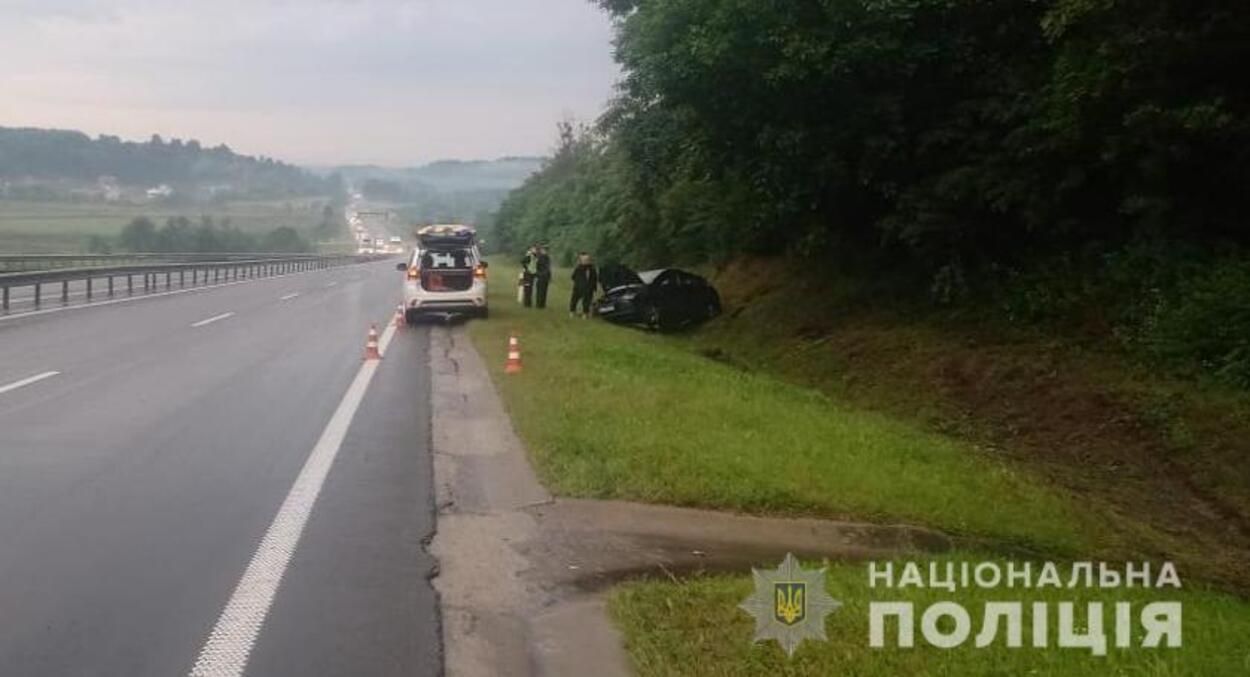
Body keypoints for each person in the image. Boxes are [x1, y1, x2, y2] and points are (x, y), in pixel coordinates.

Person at [569, 252, 598, 318]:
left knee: (587, 301)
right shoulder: (578, 268)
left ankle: (585, 313)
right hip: (578, 287)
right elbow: (573, 277)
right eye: (583, 260)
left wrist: (594, 288)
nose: (585, 261)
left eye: (587, 260)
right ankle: (572, 311)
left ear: (589, 260)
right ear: (581, 260)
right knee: (574, 299)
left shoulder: (592, 269)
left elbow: (594, 279)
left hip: (588, 288)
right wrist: (578, 283)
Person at [533, 245, 552, 309]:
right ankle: (539, 304)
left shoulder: (546, 257)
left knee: (544, 291)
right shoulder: (540, 257)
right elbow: (537, 267)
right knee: (540, 291)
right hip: (541, 276)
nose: (546, 251)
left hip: (544, 276)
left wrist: (549, 276)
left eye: (546, 250)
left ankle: (542, 304)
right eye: (544, 250)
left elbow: (548, 268)